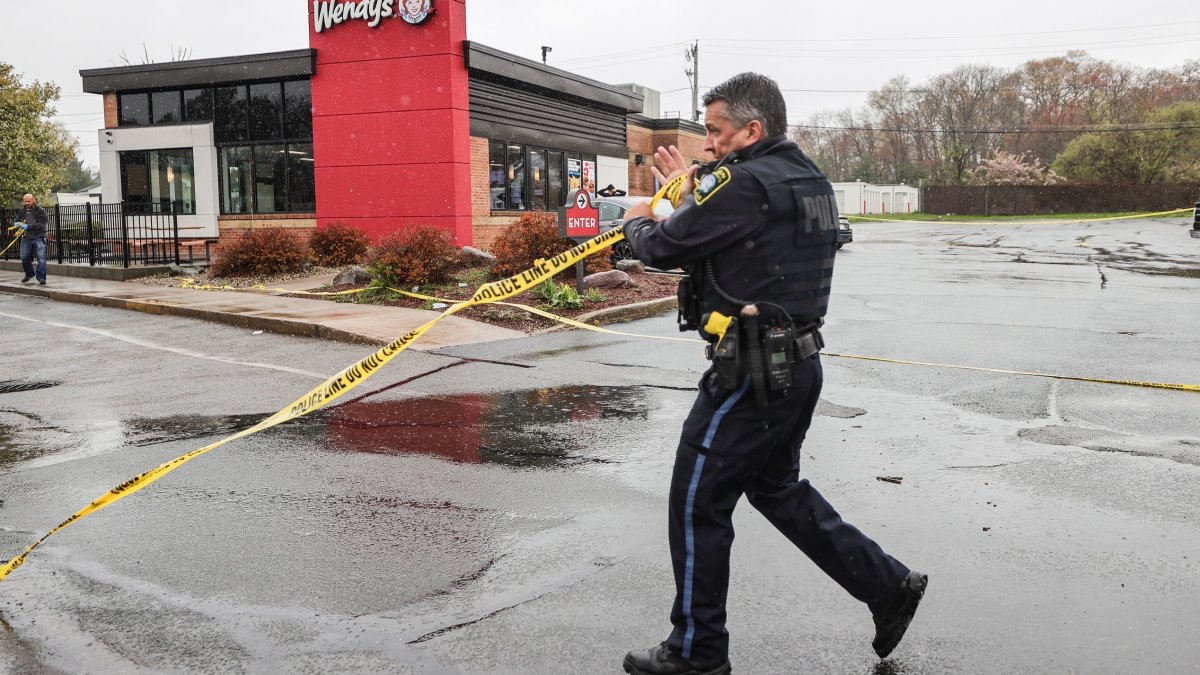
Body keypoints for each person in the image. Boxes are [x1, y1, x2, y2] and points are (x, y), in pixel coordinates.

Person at [619, 73, 927, 675]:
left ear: (752, 130)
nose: (707, 145)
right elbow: (742, 234)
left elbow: (660, 248)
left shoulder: (743, 181)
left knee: (696, 500)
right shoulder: (807, 177)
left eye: (715, 131)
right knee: (776, 489)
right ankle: (888, 586)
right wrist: (693, 192)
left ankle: (696, 650)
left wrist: (639, 217)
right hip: (796, 367)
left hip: (750, 375)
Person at [15, 194, 49, 285]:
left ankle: (41, 277)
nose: (26, 203)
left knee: (41, 258)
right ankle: (29, 274)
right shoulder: (22, 211)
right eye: (25, 201)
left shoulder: (40, 211)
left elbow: (42, 224)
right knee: (24, 256)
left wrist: (28, 226)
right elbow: (17, 219)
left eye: (28, 201)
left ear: (33, 200)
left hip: (39, 237)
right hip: (26, 237)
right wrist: (16, 223)